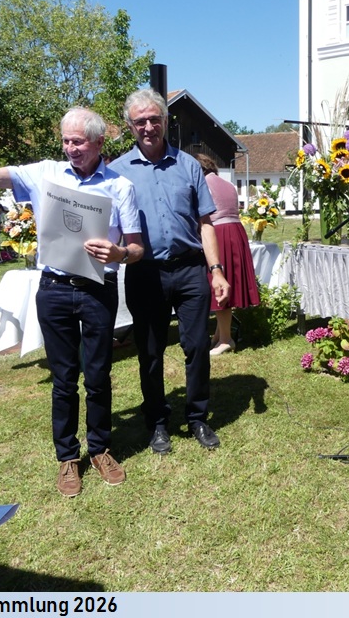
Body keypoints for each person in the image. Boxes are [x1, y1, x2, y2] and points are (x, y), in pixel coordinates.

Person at [0, 92, 145, 498]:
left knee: (98, 376)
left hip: (98, 289)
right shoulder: (44, 173)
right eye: (66, 141)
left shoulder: (121, 186)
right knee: (63, 379)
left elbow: (137, 247)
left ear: (99, 142)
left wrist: (119, 253)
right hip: (54, 289)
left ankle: (100, 449)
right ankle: (67, 457)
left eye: (78, 142)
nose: (70, 149)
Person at [109, 89, 231, 455]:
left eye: (154, 119)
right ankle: (158, 422)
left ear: (164, 121)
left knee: (197, 346)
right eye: (140, 121)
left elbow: (205, 223)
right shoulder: (117, 172)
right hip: (144, 273)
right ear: (130, 126)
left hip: (190, 269)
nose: (148, 127)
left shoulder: (189, 166)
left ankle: (197, 417)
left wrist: (217, 271)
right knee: (150, 352)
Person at [195, 153, 260, 356]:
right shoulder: (228, 184)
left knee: (219, 285)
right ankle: (219, 334)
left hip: (218, 233)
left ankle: (225, 339)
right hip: (235, 231)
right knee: (227, 280)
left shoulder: (203, 185)